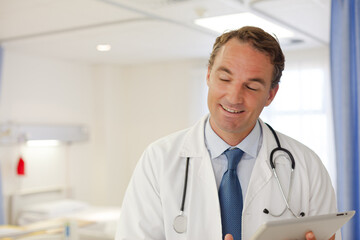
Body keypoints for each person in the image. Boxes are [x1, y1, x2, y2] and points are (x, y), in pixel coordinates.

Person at [115, 26, 339, 240]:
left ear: (271, 94)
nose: (234, 97)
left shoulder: (307, 166)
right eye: (224, 79)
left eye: (251, 86)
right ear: (209, 76)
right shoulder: (158, 160)